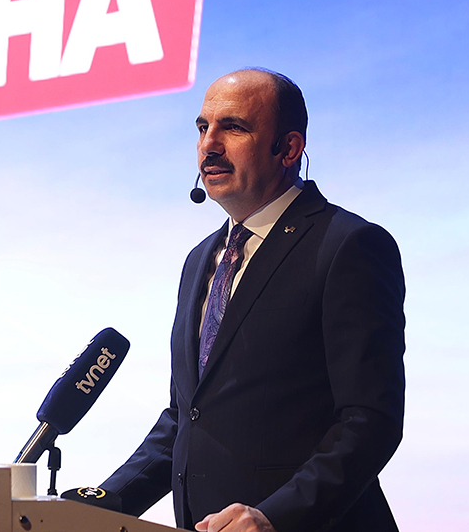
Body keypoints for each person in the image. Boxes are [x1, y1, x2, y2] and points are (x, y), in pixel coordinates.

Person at [100, 69, 405, 532]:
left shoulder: (348, 245)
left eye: (234, 127)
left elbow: (369, 420)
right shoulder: (200, 260)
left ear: (289, 148)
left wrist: (275, 517)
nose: (209, 144)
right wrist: (100, 505)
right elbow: (187, 418)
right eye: (203, 127)